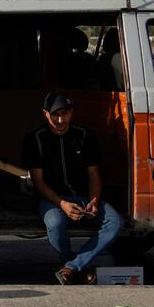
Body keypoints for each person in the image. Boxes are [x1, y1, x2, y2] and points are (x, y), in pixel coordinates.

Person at [21, 91, 123, 285]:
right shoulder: (35, 138)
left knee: (115, 222)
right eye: (54, 115)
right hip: (52, 199)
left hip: (84, 197)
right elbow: (39, 183)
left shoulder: (85, 135)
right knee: (55, 223)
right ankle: (77, 266)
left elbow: (94, 175)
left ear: (71, 112)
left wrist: (93, 200)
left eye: (64, 113)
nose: (60, 120)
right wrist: (63, 204)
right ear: (45, 114)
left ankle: (71, 267)